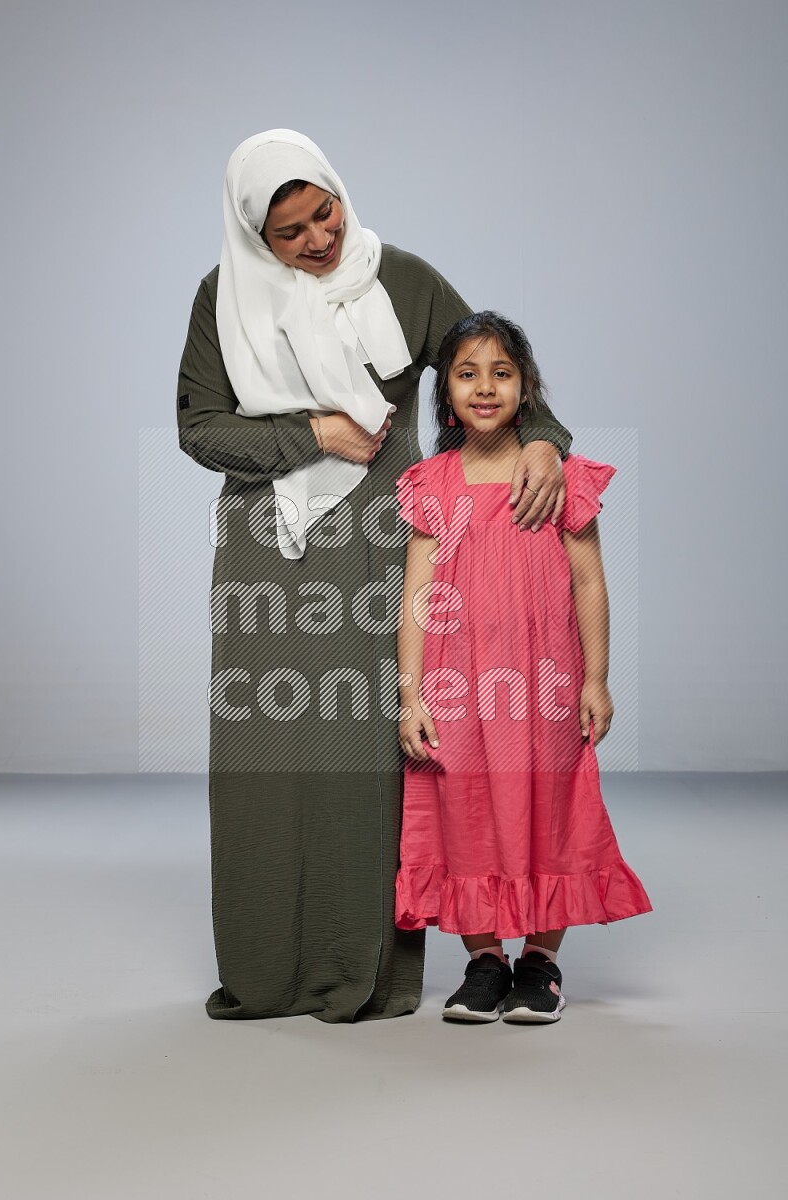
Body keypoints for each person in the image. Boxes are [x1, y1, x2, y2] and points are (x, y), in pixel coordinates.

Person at [177, 130, 573, 1023]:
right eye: (289, 231)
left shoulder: (402, 278)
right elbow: (199, 427)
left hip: (383, 543)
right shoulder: (223, 297)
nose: (318, 238)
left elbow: (499, 371)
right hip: (268, 552)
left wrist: (544, 442)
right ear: (254, 237)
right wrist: (311, 433)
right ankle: (267, 970)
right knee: (265, 754)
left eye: (326, 212)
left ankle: (364, 973)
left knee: (369, 756)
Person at [395, 311, 651, 1023]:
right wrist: (411, 693)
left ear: (525, 387)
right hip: (458, 683)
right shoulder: (432, 483)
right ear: (446, 393)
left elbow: (590, 581)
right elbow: (416, 593)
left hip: (544, 682)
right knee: (463, 809)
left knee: (550, 808)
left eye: (501, 373)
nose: (485, 387)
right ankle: (484, 960)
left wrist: (596, 677)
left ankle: (540, 961)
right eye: (467, 374)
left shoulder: (559, 476)